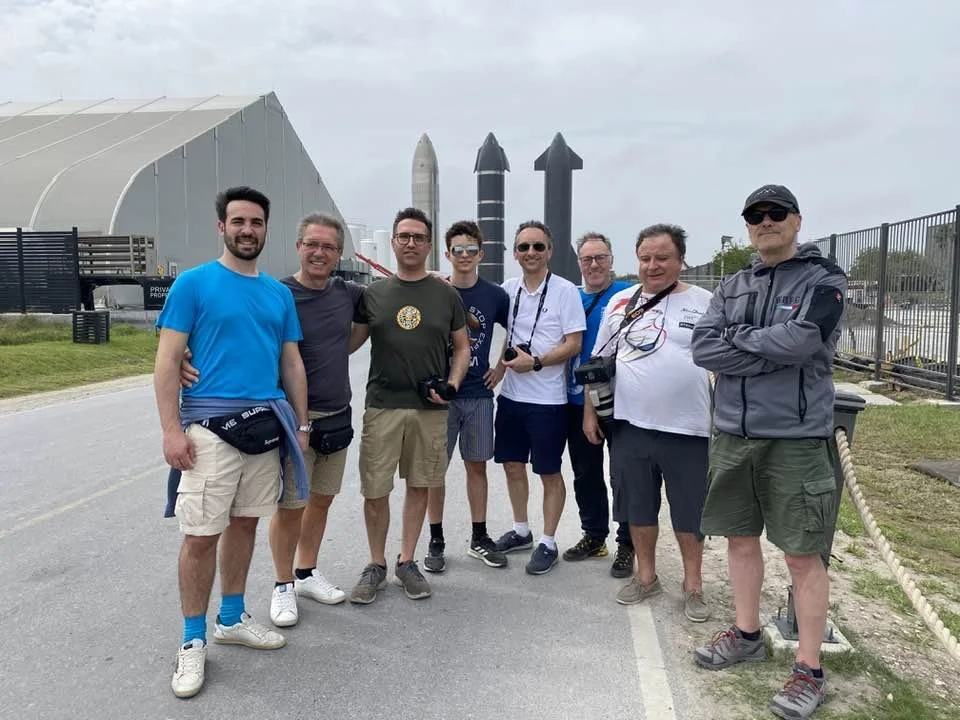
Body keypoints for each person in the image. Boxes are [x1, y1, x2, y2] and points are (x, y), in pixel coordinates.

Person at [691, 185, 847, 720]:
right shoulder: (733, 284)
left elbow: (805, 341)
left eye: (775, 213)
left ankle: (809, 669)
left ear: (796, 220)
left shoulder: (824, 280)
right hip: (734, 433)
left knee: (802, 554)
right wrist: (764, 347)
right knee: (739, 539)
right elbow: (703, 347)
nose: (765, 222)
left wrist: (741, 344)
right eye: (755, 216)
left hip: (797, 438)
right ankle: (747, 632)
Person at [154, 186, 310, 699]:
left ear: (266, 229)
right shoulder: (193, 284)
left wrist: (301, 427)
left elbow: (290, 362)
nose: (248, 230)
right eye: (238, 221)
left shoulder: (278, 294)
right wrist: (172, 431)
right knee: (201, 534)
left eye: (257, 222)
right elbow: (168, 359)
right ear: (221, 226)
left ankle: (231, 616)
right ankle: (192, 640)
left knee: (245, 523)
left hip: (265, 425)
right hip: (208, 428)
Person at [178, 212, 368, 627]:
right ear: (298, 246)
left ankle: (306, 572)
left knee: (321, 499)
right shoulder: (276, 293)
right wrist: (181, 357)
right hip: (286, 417)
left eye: (329, 247)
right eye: (312, 244)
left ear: (339, 254)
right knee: (290, 504)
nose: (320, 253)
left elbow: (375, 316)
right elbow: (223, 332)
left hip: (336, 412)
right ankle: (282, 585)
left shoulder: (348, 293)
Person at [586, 224, 713, 621]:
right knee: (638, 508)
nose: (653, 266)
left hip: (689, 429)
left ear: (680, 260)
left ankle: (693, 586)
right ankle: (646, 576)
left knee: (688, 513)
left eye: (662, 258)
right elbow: (597, 364)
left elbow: (723, 365)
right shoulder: (621, 302)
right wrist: (590, 413)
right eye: (645, 258)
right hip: (630, 426)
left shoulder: (706, 302)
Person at [348, 207, 470, 603]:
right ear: (394, 242)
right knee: (375, 489)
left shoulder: (446, 295)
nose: (411, 243)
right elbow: (350, 343)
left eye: (419, 237)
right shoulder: (374, 295)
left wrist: (451, 385)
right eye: (404, 236)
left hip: (430, 409)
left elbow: (463, 348)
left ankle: (407, 561)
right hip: (382, 405)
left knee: (420, 485)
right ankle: (376, 564)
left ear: (429, 245)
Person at [493, 221, 586, 575]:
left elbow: (573, 343)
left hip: (548, 401)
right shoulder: (508, 289)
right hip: (512, 398)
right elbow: (508, 334)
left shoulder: (565, 292)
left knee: (548, 471)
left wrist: (536, 363)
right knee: (512, 465)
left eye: (537, 246)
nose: (530, 253)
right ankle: (521, 530)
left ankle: (548, 540)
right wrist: (501, 370)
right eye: (523, 247)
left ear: (549, 251)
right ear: (514, 254)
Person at [423, 221, 511, 572]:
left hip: (477, 394)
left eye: (470, 250)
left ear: (481, 254)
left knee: (477, 466)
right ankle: (436, 538)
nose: (463, 256)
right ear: (447, 254)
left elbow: (515, 330)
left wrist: (501, 367)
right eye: (456, 250)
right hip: (439, 397)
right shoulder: (435, 290)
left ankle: (479, 536)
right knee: (434, 472)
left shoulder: (494, 295)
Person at [563, 232, 635, 578]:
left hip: (622, 401)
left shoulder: (629, 294)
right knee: (586, 473)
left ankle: (628, 543)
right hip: (579, 400)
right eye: (587, 259)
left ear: (611, 259)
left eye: (600, 258)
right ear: (579, 263)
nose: (593, 265)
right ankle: (594, 536)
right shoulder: (571, 297)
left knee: (623, 475)